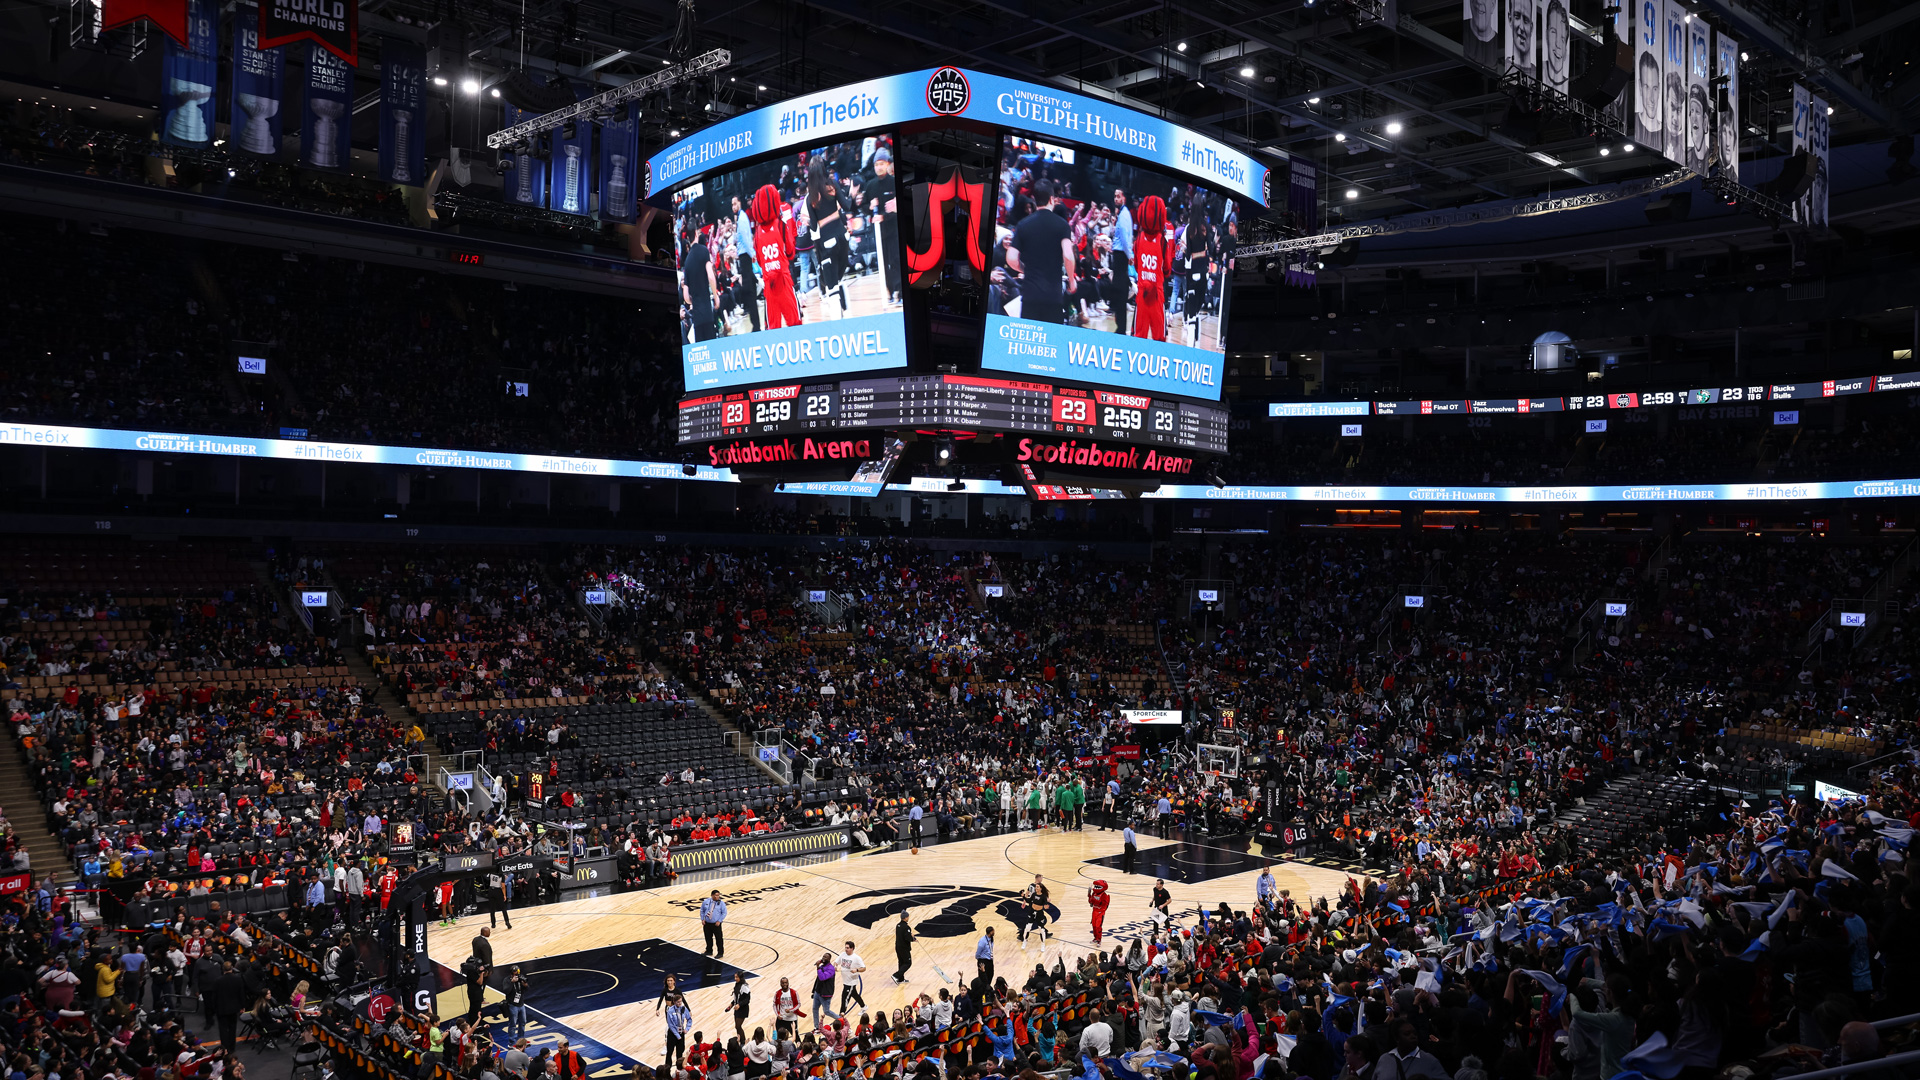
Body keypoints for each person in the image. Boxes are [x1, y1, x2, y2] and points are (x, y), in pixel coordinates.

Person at [1006, 181, 1074, 325]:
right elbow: (1068, 256)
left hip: (1029, 297)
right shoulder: (1062, 225)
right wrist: (1072, 282)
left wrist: (1025, 269)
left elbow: (1011, 258)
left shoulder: (1023, 224)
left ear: (1035, 200)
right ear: (1051, 199)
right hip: (1053, 298)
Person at [748, 185, 799, 330]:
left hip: (769, 287)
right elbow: (790, 252)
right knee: (795, 324)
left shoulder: (757, 233)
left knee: (773, 329)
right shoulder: (781, 225)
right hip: (783, 281)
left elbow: (758, 259)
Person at [1130, 196, 1170, 342]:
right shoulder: (1162, 241)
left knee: (1138, 338)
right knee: (1160, 339)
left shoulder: (1138, 239)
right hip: (1157, 297)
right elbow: (1167, 269)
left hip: (1142, 296)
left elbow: (1136, 265)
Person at [682, 227, 719, 343]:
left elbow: (686, 297)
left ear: (688, 238)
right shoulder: (703, 250)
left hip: (697, 318)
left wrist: (694, 301)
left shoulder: (687, 261)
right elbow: (711, 277)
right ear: (696, 234)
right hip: (707, 312)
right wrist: (716, 295)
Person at [211, 961, 247, 1053]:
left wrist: (214, 1008)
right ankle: (232, 1047)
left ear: (223, 969)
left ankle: (225, 1048)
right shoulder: (238, 979)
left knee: (223, 1029)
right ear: (232, 968)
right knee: (232, 1028)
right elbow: (241, 994)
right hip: (233, 1008)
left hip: (221, 1008)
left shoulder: (217, 981)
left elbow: (214, 996)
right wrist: (242, 1006)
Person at [811, 952, 839, 1030]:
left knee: (826, 1011)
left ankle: (840, 1019)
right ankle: (816, 1027)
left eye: (826, 957)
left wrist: (818, 967)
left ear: (829, 959)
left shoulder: (831, 969)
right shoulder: (822, 966)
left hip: (825, 994)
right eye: (823, 956)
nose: (824, 958)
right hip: (818, 992)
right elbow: (818, 980)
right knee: (815, 1009)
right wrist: (814, 991)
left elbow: (822, 977)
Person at [664, 993, 693, 1068]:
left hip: (681, 1032)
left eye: (681, 1001)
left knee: (680, 1052)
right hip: (672, 1033)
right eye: (678, 1002)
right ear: (674, 1002)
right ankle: (667, 1068)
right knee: (669, 1051)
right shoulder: (670, 1010)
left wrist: (687, 1029)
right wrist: (677, 1035)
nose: (680, 1003)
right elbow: (671, 1024)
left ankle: (679, 1068)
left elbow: (689, 1019)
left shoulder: (684, 1008)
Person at [838, 941, 867, 1013]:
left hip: (851, 982)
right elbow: (836, 962)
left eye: (848, 948)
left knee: (845, 998)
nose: (846, 949)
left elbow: (864, 968)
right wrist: (835, 966)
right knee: (854, 994)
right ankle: (864, 1007)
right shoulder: (843, 955)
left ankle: (841, 1014)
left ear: (852, 948)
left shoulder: (856, 958)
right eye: (845, 947)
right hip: (845, 980)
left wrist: (857, 970)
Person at [504, 966, 530, 1042]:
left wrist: (525, 985)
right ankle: (511, 1041)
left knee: (523, 1022)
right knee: (513, 1024)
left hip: (521, 1004)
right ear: (511, 974)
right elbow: (506, 991)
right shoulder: (507, 980)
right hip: (513, 1005)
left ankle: (521, 1040)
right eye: (514, 974)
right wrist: (512, 982)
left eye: (517, 974)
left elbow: (527, 988)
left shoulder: (520, 978)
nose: (516, 976)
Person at [701, 889, 728, 957]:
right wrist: (702, 919)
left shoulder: (721, 903)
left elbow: (724, 913)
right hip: (707, 923)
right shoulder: (706, 901)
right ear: (712, 895)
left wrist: (719, 920)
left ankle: (720, 953)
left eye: (718, 895)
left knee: (719, 939)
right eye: (716, 895)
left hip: (716, 924)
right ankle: (709, 951)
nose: (717, 897)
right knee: (708, 938)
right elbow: (702, 910)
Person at [893, 910, 915, 984]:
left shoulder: (898, 925)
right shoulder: (906, 927)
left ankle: (900, 979)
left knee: (901, 962)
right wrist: (913, 939)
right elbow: (907, 938)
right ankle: (896, 975)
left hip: (898, 946)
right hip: (904, 948)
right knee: (908, 963)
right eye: (908, 916)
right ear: (905, 918)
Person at [1087, 880, 1111, 945]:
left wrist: (1096, 902)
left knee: (1098, 926)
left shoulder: (1104, 895)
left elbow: (1103, 904)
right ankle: (1095, 938)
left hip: (1100, 913)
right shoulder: (1094, 893)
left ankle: (1099, 940)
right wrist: (1089, 895)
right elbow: (1090, 902)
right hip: (1094, 911)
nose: (1096, 887)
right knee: (1094, 925)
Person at [729, 971, 752, 1039]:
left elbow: (747, 1000)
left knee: (738, 1026)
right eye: (735, 977)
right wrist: (731, 1004)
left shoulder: (745, 987)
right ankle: (740, 1040)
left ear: (740, 977)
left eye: (736, 977)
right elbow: (737, 998)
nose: (735, 978)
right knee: (737, 1027)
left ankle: (742, 1042)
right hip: (737, 1009)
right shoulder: (737, 985)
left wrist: (739, 1005)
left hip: (743, 1009)